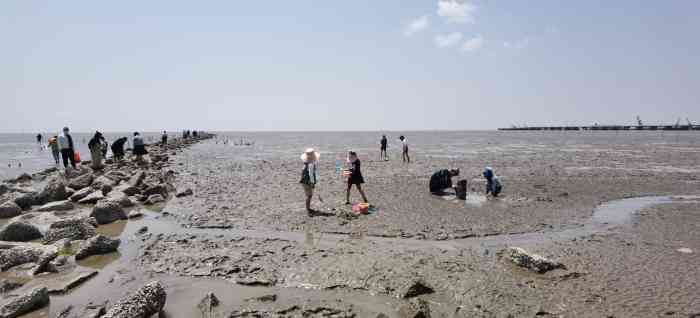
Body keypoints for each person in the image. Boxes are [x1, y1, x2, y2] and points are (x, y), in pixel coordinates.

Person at [300, 148, 320, 214]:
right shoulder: (311, 165)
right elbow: (311, 175)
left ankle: (308, 208)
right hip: (307, 182)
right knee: (309, 196)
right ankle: (308, 209)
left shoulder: (305, 164)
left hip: (304, 181)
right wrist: (312, 183)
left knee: (308, 195)